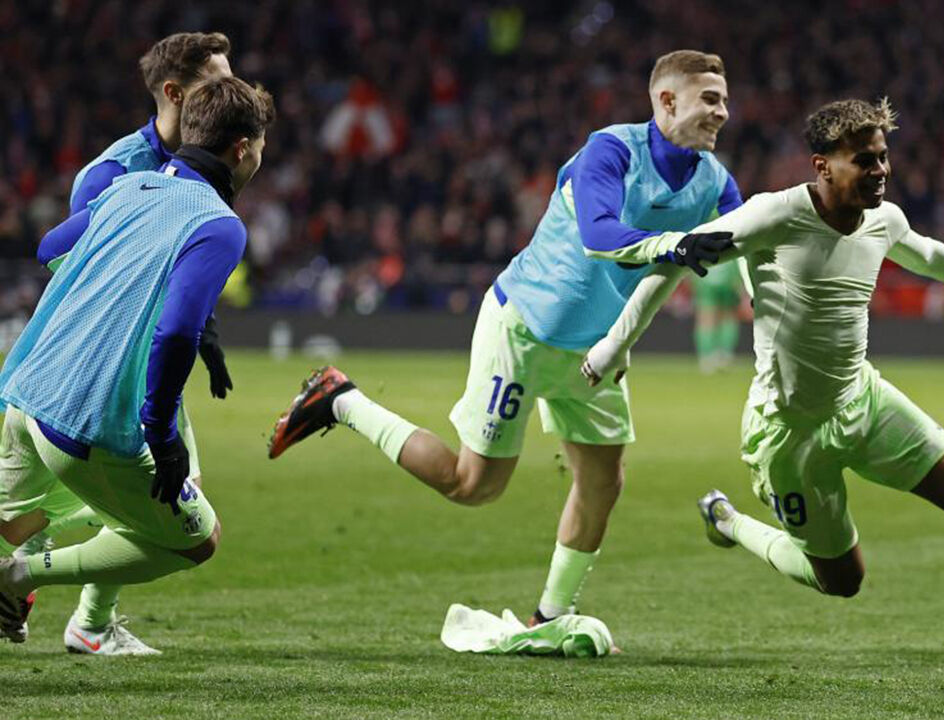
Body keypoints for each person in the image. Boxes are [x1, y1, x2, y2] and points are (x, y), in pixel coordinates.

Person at [581, 98, 944, 665]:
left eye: (882, 157)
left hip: (863, 400)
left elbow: (926, 254)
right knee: (841, 580)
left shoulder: (885, 219)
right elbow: (676, 260)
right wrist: (614, 346)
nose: (880, 170)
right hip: (789, 433)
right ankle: (728, 521)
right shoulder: (773, 216)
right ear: (823, 166)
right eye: (864, 160)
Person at [268, 50, 738, 629]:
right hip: (523, 331)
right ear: (666, 101)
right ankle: (341, 399)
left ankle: (551, 616)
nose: (723, 112)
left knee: (603, 482)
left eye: (724, 99)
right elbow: (598, 235)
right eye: (709, 99)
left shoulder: (714, 180)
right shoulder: (612, 151)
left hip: (596, 352)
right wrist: (675, 245)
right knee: (472, 486)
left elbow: (751, 238)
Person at [0, 76, 274, 654]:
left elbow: (51, 247)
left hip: (27, 395)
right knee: (195, 540)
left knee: (16, 522)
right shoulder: (219, 225)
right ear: (242, 148)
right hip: (86, 424)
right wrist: (162, 437)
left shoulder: (131, 187)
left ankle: (75, 610)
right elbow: (175, 333)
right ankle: (19, 578)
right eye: (261, 146)